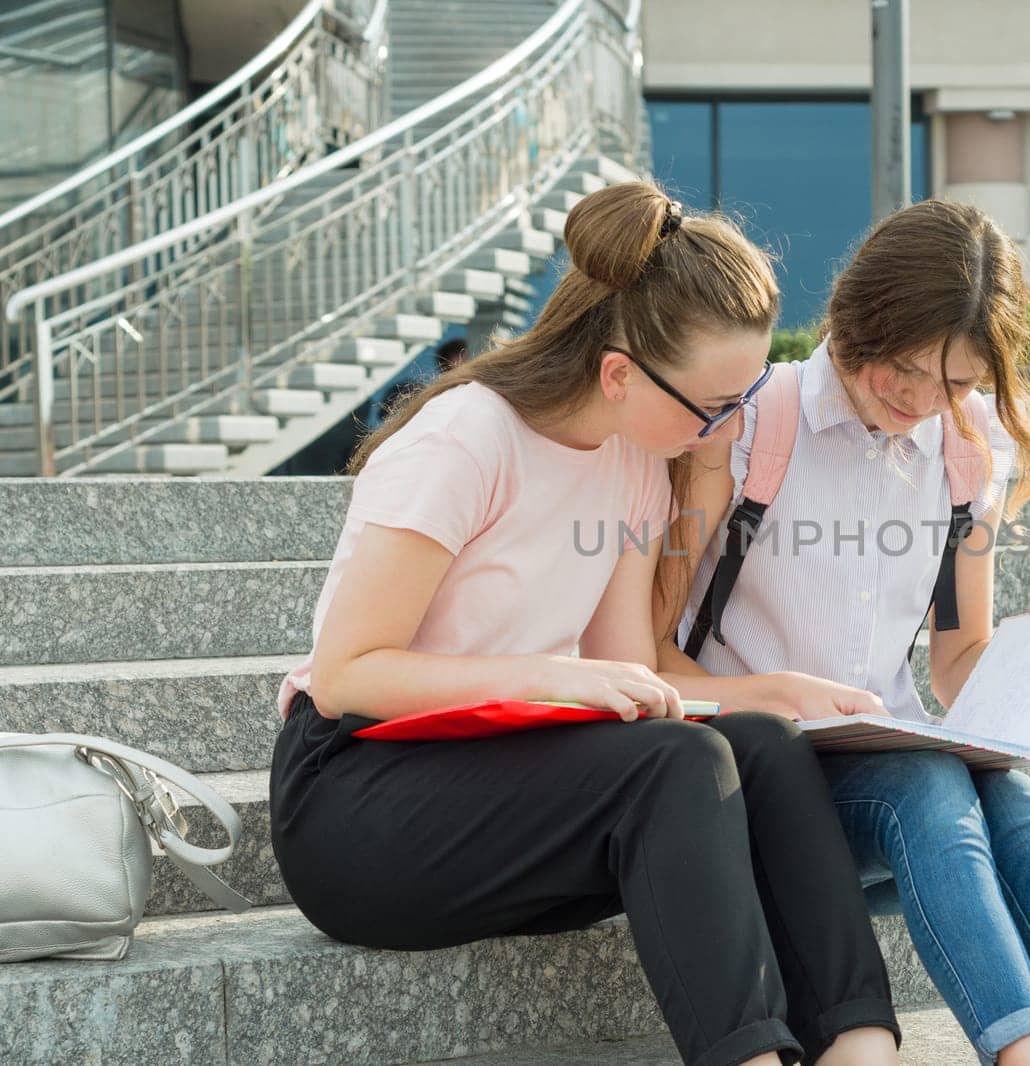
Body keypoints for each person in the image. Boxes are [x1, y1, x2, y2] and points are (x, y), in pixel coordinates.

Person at [269, 182, 902, 1066]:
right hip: (357, 798)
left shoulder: (637, 464)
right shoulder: (464, 441)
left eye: (746, 397)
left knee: (760, 744)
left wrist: (771, 692)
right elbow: (346, 675)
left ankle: (860, 1048)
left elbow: (630, 671)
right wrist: (542, 673)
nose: (726, 428)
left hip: (499, 777)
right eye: (713, 405)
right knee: (679, 766)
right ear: (618, 373)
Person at [654, 200, 1030, 1066]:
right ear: (854, 319)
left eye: (959, 382)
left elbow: (957, 662)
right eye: (901, 369)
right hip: (757, 779)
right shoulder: (750, 423)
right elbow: (645, 658)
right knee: (930, 791)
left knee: (1016, 805)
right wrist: (778, 697)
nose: (921, 400)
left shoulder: (967, 453)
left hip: (892, 768)